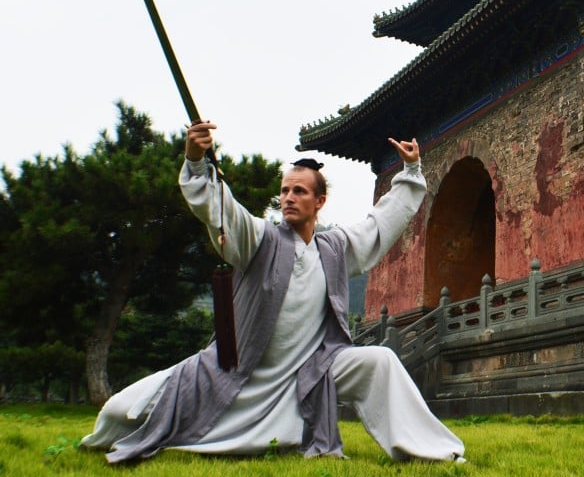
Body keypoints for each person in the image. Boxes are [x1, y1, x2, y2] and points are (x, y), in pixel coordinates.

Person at [81, 121, 465, 463]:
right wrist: (197, 162)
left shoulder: (335, 248)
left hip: (308, 376)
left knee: (379, 360)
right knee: (117, 412)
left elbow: (380, 224)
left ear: (319, 201)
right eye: (284, 191)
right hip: (237, 374)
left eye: (299, 191)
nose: (288, 198)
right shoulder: (258, 239)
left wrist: (411, 172)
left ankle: (433, 451)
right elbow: (223, 211)